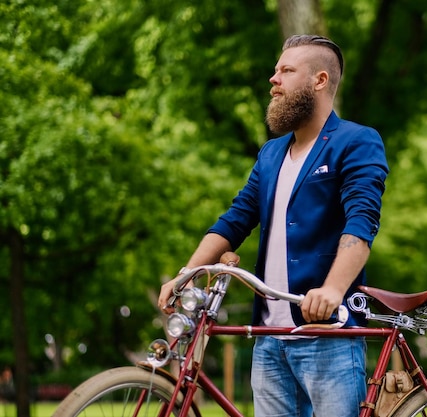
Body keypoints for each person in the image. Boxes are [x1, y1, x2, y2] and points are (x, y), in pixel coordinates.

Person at [158, 34, 388, 417]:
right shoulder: (270, 153)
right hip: (268, 338)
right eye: (276, 70)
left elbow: (361, 223)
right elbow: (235, 220)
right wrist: (188, 272)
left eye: (286, 70)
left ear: (319, 80)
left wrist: (332, 289)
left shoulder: (356, 141)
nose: (273, 79)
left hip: (328, 333)